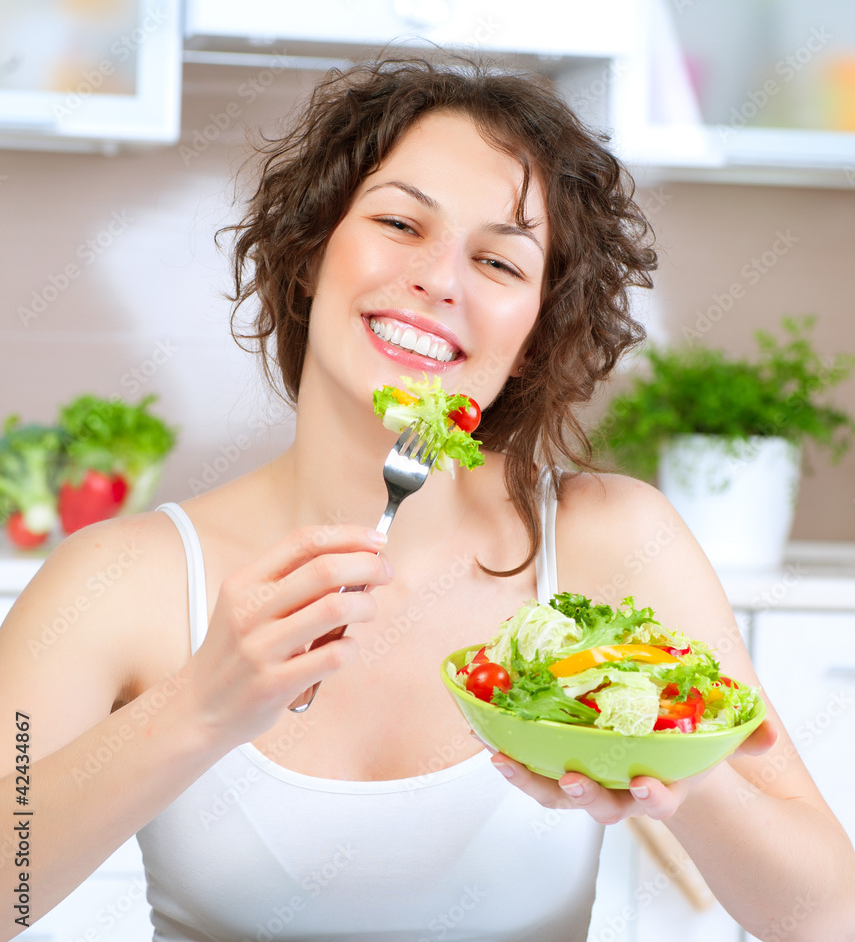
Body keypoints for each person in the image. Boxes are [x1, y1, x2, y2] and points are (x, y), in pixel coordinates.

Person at [1, 54, 854, 942]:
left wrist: (672, 766)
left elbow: (827, 918)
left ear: (531, 336)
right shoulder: (118, 580)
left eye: (497, 261)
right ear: (309, 253)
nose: (440, 279)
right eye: (400, 223)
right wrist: (199, 708)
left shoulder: (611, 544)